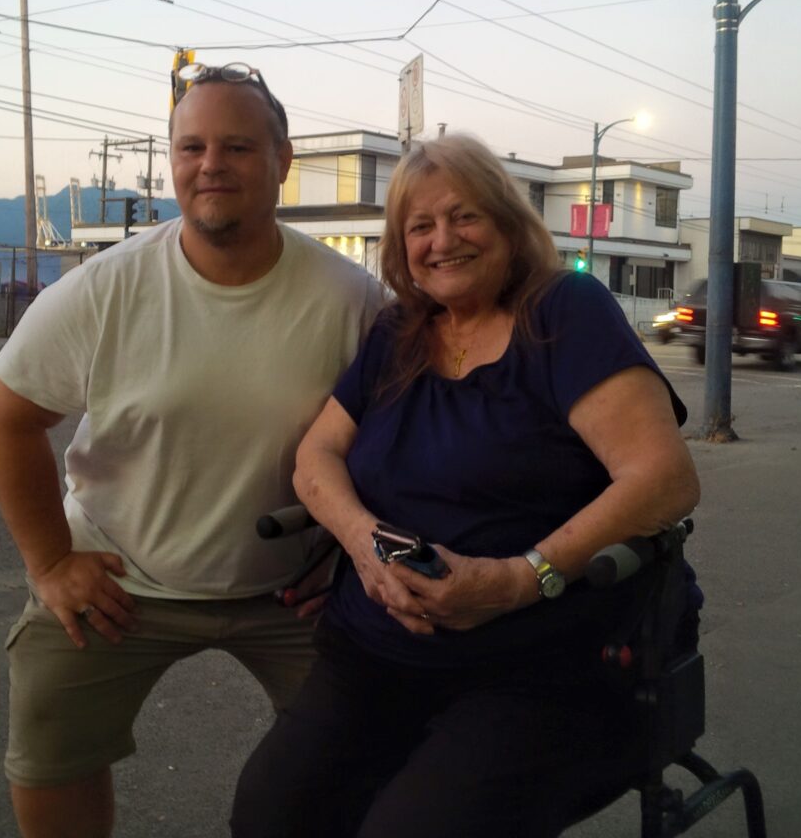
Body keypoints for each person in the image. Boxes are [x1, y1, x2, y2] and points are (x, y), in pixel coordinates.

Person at [231, 133, 701, 838]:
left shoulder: (565, 312)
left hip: (540, 668)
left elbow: (664, 480)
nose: (442, 240)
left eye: (464, 216)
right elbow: (316, 455)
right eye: (420, 226)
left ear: (507, 225)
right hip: (375, 653)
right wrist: (363, 544)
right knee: (270, 815)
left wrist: (516, 580)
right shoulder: (399, 332)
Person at [0, 62, 385, 838]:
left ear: (282, 160)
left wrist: (350, 550)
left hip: (290, 590)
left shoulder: (351, 298)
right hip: (119, 580)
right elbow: (7, 416)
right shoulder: (106, 288)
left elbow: (396, 436)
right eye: (191, 147)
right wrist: (51, 562)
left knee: (365, 752)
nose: (211, 165)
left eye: (237, 146)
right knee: (50, 753)